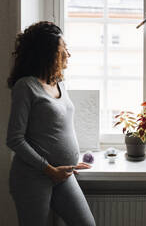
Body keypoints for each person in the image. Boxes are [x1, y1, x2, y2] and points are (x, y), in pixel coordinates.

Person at [6, 21, 96, 226]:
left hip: (63, 174)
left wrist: (70, 162)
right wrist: (48, 169)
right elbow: (14, 139)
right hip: (32, 177)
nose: (68, 54)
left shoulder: (60, 84)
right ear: (48, 53)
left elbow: (57, 129)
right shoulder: (25, 86)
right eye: (64, 49)